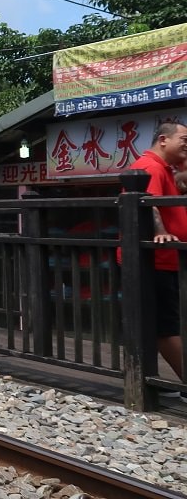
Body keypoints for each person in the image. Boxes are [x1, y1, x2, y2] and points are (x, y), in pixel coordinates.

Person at [126, 121, 186, 394]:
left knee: (162, 323)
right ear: (163, 140)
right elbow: (147, 204)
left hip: (166, 260)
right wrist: (160, 231)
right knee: (165, 326)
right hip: (155, 261)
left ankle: (150, 378)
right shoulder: (149, 166)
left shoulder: (166, 169)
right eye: (184, 139)